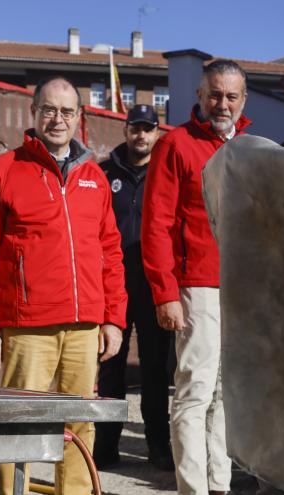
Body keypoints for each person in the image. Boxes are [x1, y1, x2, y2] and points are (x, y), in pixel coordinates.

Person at [0, 75, 127, 495]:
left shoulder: (94, 178)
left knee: (79, 426)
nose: (58, 119)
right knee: (15, 422)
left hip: (84, 327)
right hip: (26, 326)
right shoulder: (4, 171)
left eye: (67, 111)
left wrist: (112, 319)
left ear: (79, 118)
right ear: (33, 113)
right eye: (50, 110)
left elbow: (110, 252)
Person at [142, 59, 251, 495]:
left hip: (242, 288)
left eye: (230, 96)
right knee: (194, 392)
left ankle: (219, 484)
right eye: (214, 94)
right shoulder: (177, 145)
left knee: (228, 394)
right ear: (200, 96)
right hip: (197, 286)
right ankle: (192, 488)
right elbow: (156, 224)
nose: (221, 103)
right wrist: (165, 293)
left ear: (244, 100)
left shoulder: (251, 147)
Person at [95, 104, 174, 471]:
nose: (141, 135)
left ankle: (158, 446)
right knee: (111, 367)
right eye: (135, 127)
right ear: (125, 130)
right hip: (114, 285)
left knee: (157, 368)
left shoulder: (166, 171)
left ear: (157, 132)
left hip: (155, 285)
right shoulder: (103, 172)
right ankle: (106, 445)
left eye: (148, 128)